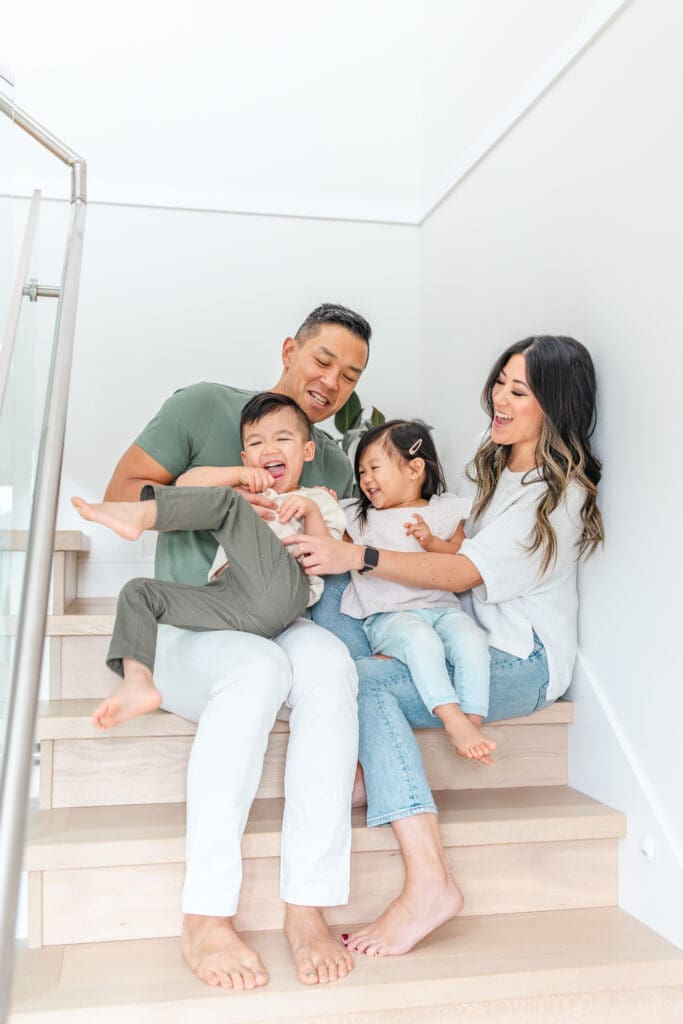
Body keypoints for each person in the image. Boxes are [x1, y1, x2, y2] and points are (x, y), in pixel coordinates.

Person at [284, 334, 604, 959]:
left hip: (519, 660)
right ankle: (358, 759)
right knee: (330, 592)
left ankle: (430, 880)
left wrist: (362, 553)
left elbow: (460, 576)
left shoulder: (559, 495)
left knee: (364, 682)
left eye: (520, 390)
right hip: (455, 634)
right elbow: (429, 547)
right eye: (500, 381)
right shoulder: (490, 471)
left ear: (556, 405)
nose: (500, 398)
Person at [102, 303, 370, 990]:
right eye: (322, 360)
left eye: (350, 374)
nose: (331, 382)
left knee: (329, 664)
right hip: (195, 628)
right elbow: (122, 492)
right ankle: (207, 914)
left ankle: (306, 903)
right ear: (290, 348)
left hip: (276, 617)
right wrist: (227, 481)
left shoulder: (331, 461)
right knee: (256, 669)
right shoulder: (204, 406)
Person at [72, 393, 345, 731]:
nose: (270, 449)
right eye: (257, 443)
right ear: (246, 456)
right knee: (138, 592)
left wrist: (312, 511)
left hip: (287, 591)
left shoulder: (316, 497)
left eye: (283, 439)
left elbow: (327, 555)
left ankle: (142, 513)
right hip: (236, 598)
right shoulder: (244, 491)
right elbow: (187, 484)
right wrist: (239, 475)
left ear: (307, 451)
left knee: (229, 505)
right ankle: (138, 680)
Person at [340, 418, 495, 763]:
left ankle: (472, 719)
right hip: (391, 617)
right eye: (361, 471)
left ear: (415, 469)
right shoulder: (359, 517)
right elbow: (331, 547)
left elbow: (460, 560)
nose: (365, 479)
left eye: (374, 468)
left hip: (443, 609)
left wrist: (431, 541)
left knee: (471, 638)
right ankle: (452, 719)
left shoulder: (443, 511)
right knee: (420, 640)